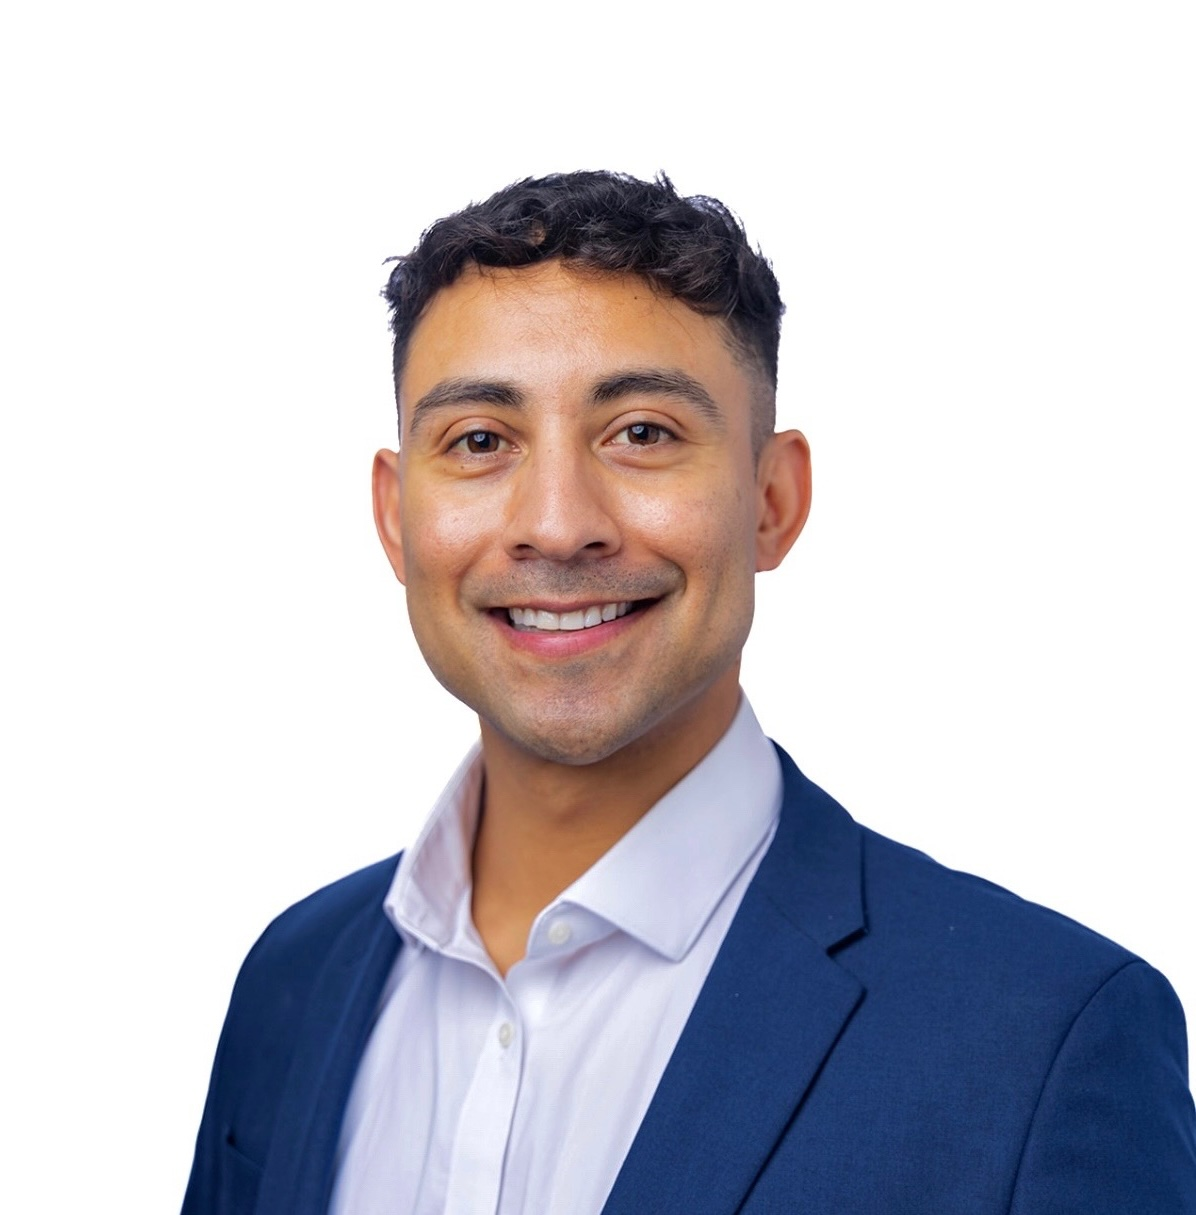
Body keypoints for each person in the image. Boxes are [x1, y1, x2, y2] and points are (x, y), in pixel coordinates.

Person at [182, 172, 1196, 1215]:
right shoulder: (290, 985)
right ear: (396, 519)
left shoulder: (1046, 1042)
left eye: (642, 433)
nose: (556, 523)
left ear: (771, 501)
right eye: (480, 440)